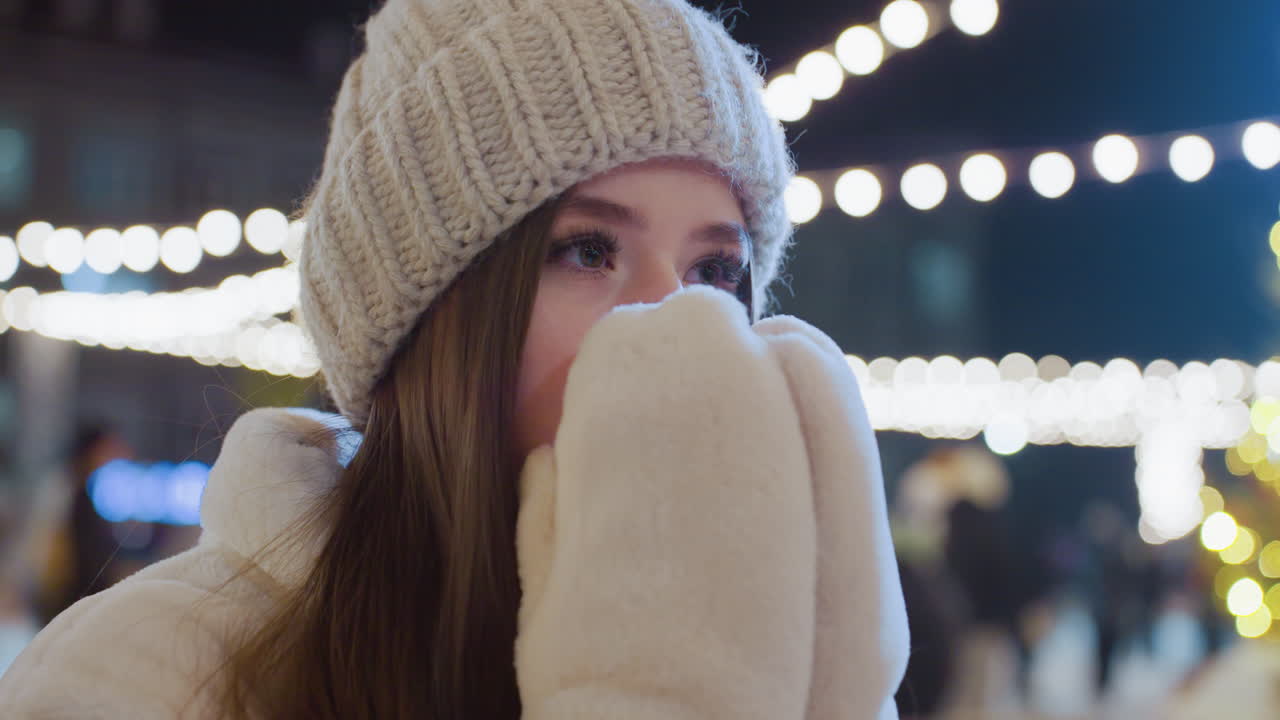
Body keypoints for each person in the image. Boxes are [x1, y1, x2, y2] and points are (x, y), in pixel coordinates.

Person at [0, 0, 909, 717]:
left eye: (716, 270)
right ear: (431, 315)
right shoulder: (155, 676)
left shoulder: (777, 647)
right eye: (589, 251)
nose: (676, 325)